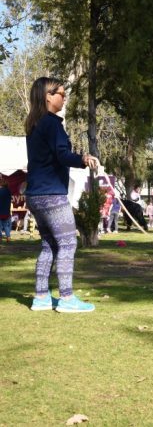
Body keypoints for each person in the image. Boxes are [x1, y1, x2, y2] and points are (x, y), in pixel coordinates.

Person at [24, 77, 100, 313]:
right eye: (61, 93)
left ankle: (41, 298)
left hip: (35, 194)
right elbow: (62, 155)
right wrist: (83, 159)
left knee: (49, 246)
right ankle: (66, 299)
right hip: (52, 195)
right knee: (68, 243)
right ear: (48, 96)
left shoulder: (34, 124)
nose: (64, 97)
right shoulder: (52, 124)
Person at [0, 178, 11, 243]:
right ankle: (8, 237)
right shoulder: (8, 191)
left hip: (0, 211)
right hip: (6, 211)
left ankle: (0, 238)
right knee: (5, 225)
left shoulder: (0, 191)